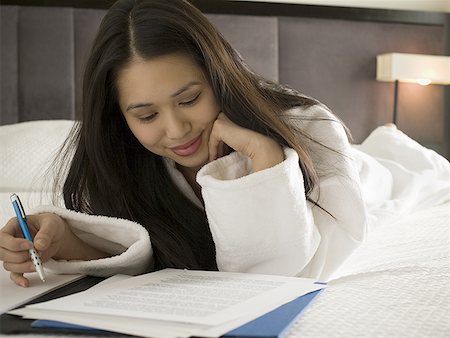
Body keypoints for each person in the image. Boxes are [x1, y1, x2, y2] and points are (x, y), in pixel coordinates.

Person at [0, 0, 366, 287]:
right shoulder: (122, 156)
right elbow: (143, 253)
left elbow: (297, 275)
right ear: (121, 118)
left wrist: (264, 159)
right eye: (146, 116)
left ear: (220, 76)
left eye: (189, 100)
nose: (176, 131)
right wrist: (64, 240)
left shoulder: (308, 126)